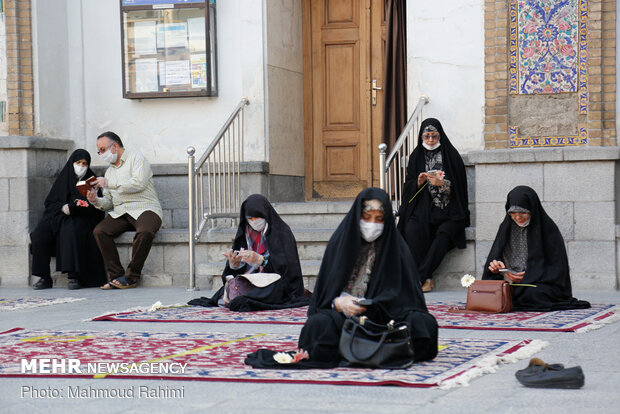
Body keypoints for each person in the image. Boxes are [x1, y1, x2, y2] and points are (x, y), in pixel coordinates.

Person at [246, 188, 438, 368]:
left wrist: (376, 304)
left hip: (387, 321)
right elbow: (321, 300)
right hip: (346, 319)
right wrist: (338, 303)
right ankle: (380, 350)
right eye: (367, 217)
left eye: (379, 219)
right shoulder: (341, 244)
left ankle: (365, 348)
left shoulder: (398, 249)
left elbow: (409, 300)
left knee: (423, 324)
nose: (372, 224)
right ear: (357, 216)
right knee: (318, 325)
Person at [189, 194, 309, 311]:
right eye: (250, 218)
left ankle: (242, 297)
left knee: (274, 289)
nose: (254, 221)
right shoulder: (245, 233)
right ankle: (243, 296)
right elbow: (233, 272)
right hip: (249, 281)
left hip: (273, 282)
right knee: (233, 285)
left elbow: (288, 272)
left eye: (257, 218)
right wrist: (234, 265)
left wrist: (261, 260)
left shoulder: (281, 233)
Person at [482, 186, 590, 311]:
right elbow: (496, 258)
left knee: (533, 293)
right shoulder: (506, 227)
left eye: (523, 213)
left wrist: (530, 275)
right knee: (495, 289)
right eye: (512, 214)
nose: (518, 217)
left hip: (538, 282)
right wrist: (497, 268)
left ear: (532, 210)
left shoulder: (548, 230)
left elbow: (557, 269)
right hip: (509, 280)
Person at [397, 118, 470, 292]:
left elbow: (460, 187)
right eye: (427, 136)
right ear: (421, 137)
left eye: (434, 136)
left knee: (445, 234)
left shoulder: (451, 155)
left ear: (440, 136)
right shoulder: (416, 156)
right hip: (423, 209)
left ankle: (420, 276)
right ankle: (427, 279)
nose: (430, 140)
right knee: (412, 229)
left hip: (449, 211)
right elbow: (408, 186)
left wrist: (442, 184)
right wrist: (418, 182)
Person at [87, 131, 163, 289]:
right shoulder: (109, 171)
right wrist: (95, 200)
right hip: (121, 211)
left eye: (103, 150)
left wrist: (110, 184)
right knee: (100, 231)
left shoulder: (136, 159)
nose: (101, 154)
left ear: (114, 146)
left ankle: (131, 276)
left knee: (146, 231)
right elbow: (108, 202)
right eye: (99, 151)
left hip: (145, 207)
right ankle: (116, 276)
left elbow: (138, 183)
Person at [30, 149, 106, 289]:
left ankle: (74, 276)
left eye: (84, 163)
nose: (81, 166)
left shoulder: (91, 180)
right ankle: (44, 277)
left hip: (82, 217)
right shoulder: (63, 178)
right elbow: (50, 202)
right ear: (72, 162)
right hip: (59, 215)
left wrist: (75, 207)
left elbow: (96, 208)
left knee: (71, 229)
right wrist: (62, 207)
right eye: (78, 162)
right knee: (39, 233)